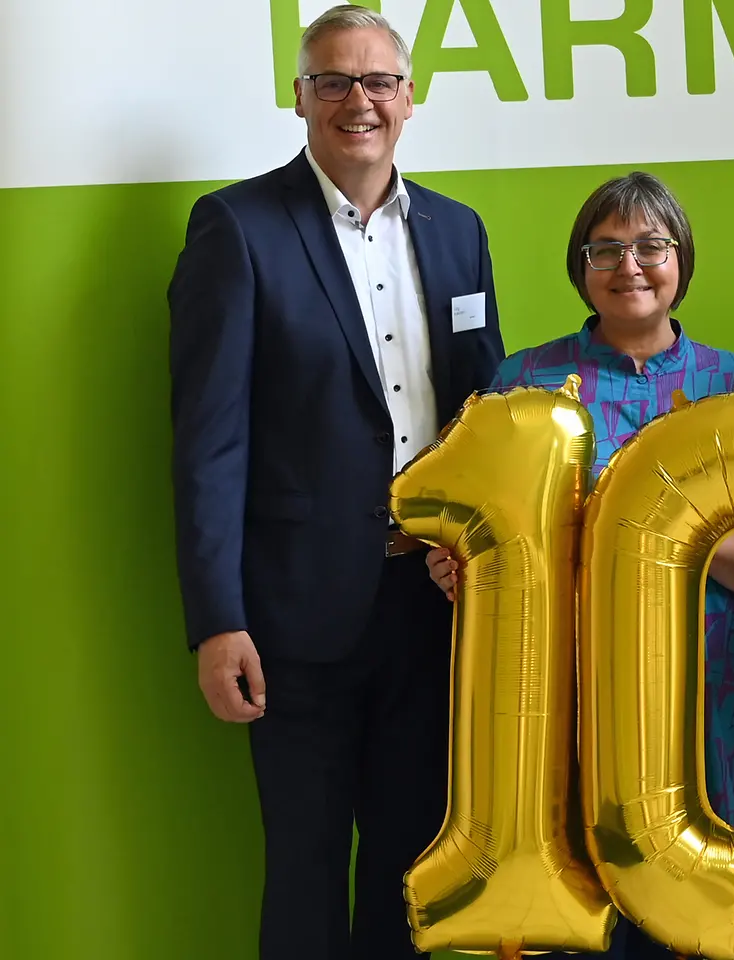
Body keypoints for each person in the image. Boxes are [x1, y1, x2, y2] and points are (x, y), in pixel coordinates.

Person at [166, 6, 506, 957]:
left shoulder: (458, 231)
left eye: (378, 82)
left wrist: (486, 558)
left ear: (410, 98)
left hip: (434, 602)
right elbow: (209, 443)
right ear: (301, 97)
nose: (359, 101)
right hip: (293, 618)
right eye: (334, 82)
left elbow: (485, 415)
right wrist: (217, 620)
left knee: (414, 868)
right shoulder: (237, 228)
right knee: (306, 872)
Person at [427, 171, 734, 959]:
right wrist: (459, 565)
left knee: (710, 918)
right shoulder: (523, 384)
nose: (629, 266)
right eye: (606, 250)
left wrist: (647, 537)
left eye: (650, 246)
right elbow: (487, 538)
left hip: (713, 687)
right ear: (582, 266)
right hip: (570, 692)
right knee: (579, 918)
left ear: (681, 260)